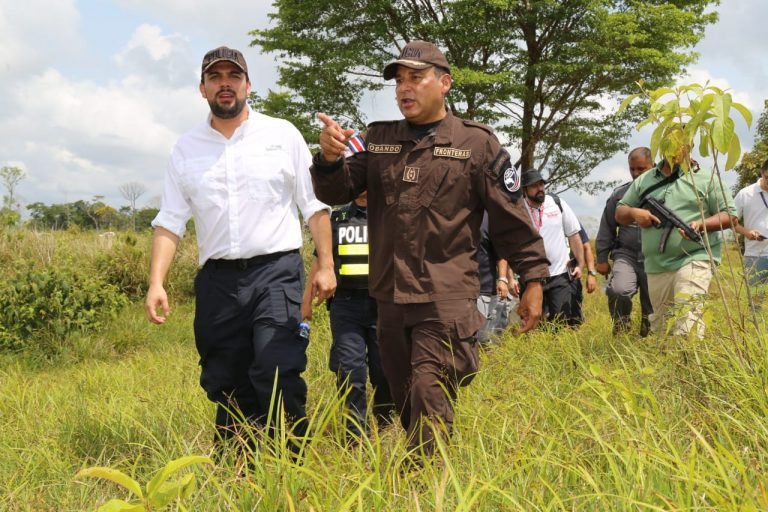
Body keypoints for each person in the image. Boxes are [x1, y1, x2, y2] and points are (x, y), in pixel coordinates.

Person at [309, 40, 549, 457]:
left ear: (445, 83)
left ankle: (424, 485)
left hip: (446, 298)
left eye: (416, 78)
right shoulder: (377, 139)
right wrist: (329, 159)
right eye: (399, 80)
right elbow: (338, 190)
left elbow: (511, 220)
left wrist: (534, 280)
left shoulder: (477, 144)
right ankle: (425, 467)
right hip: (389, 298)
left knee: (428, 387)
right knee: (405, 395)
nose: (405, 88)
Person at [144, 46, 336, 453]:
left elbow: (314, 206)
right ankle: (239, 469)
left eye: (234, 76)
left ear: (249, 84)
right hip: (218, 281)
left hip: (276, 272)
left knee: (276, 365)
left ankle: (292, 463)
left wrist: (325, 263)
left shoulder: (281, 135)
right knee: (225, 378)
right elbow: (171, 220)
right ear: (203, 88)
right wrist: (156, 282)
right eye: (216, 77)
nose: (225, 83)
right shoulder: (186, 148)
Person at [301, 191, 393, 439]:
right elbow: (320, 260)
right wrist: (306, 302)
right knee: (350, 372)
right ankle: (356, 436)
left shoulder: (388, 214)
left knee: (384, 372)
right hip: (346, 306)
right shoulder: (337, 216)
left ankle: (386, 426)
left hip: (382, 306)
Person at [616, 156, 736, 338]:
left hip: (694, 256)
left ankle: (690, 364)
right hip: (657, 265)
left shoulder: (705, 177)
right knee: (661, 330)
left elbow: (730, 215)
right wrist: (634, 212)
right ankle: (669, 366)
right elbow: (620, 212)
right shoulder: (644, 179)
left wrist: (701, 224)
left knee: (688, 322)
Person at [595, 147, 654, 336]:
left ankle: (648, 339)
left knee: (652, 306)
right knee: (618, 290)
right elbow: (607, 227)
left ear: (653, 166)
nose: (636, 174)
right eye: (632, 169)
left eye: (641, 169)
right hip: (626, 255)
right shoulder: (620, 195)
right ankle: (621, 331)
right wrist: (602, 258)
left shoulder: (665, 193)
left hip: (654, 258)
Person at [518, 169, 585, 326]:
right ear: (524, 190)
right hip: (530, 277)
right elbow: (510, 245)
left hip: (559, 274)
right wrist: (509, 277)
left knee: (561, 321)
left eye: (541, 184)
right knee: (532, 323)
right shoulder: (517, 210)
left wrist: (580, 265)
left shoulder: (557, 203)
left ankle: (558, 350)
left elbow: (574, 235)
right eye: (534, 186)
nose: (540, 188)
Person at [476, 211, 519, 344]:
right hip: (457, 289)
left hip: (484, 288)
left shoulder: (488, 218)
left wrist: (504, 279)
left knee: (483, 337)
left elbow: (501, 254)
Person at [733, 158, 768, 309]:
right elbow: (729, 221)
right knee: (756, 304)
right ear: (761, 173)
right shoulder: (745, 194)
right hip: (755, 255)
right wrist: (746, 233)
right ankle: (757, 332)